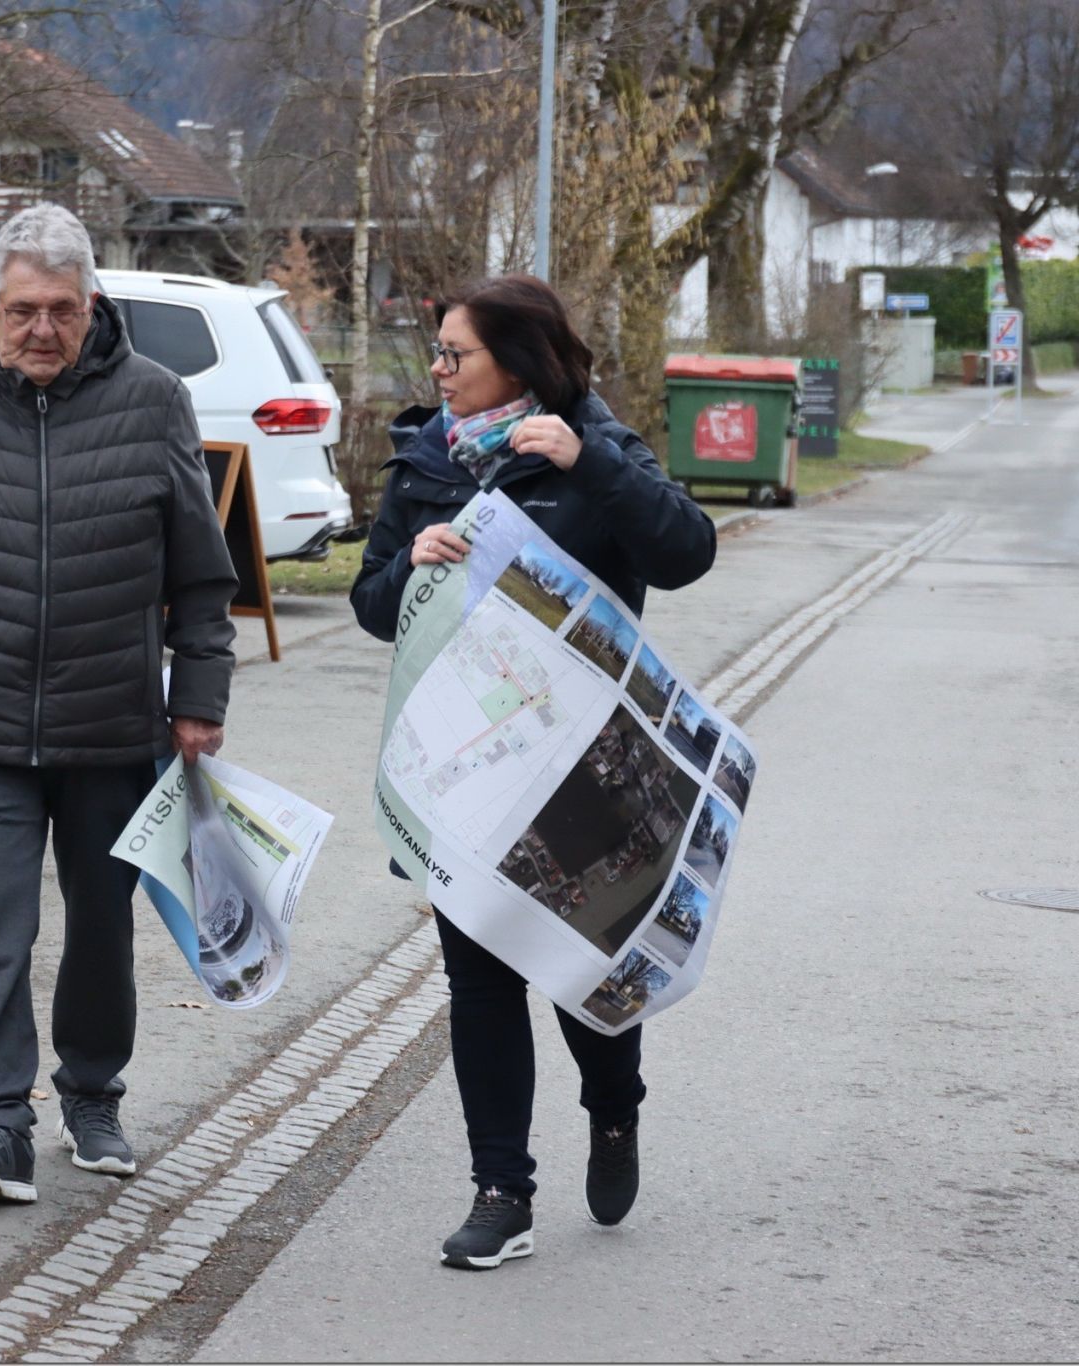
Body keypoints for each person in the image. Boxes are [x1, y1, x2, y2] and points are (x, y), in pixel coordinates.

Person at [0, 204, 238, 1204]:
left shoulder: (153, 401)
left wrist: (196, 696)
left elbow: (201, 576)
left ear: (92, 306)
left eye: (61, 311)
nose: (41, 330)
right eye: (22, 310)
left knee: (101, 924)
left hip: (110, 720)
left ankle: (91, 1093)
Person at [349, 274, 716, 1268]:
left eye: (453, 354)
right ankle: (499, 1189)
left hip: (584, 774)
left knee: (579, 972)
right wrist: (408, 564)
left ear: (515, 361)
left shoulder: (590, 442)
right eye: (438, 353)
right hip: (466, 769)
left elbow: (685, 552)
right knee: (479, 979)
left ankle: (611, 1108)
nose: (436, 370)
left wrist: (590, 463)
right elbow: (372, 605)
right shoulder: (427, 457)